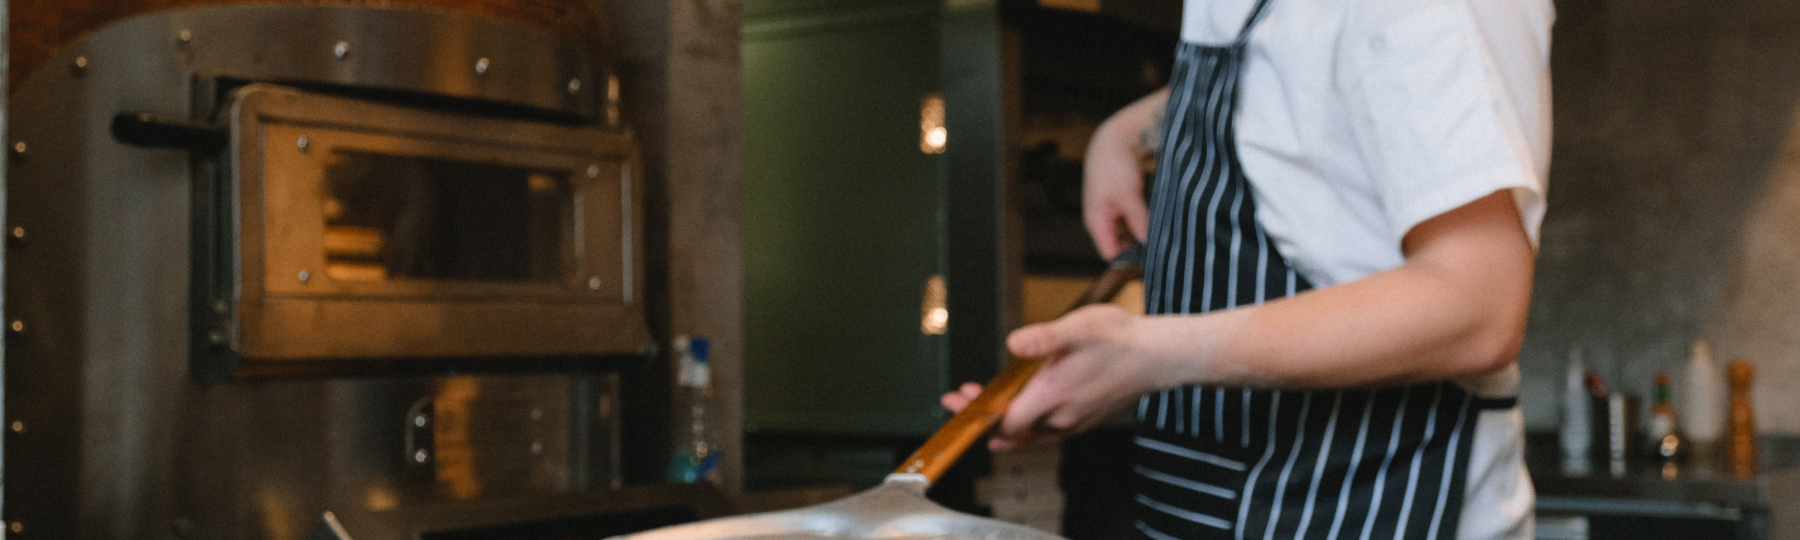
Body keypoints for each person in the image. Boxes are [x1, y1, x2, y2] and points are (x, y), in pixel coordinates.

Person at [941, 0, 1552, 538]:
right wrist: (1129, 132)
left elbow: (1479, 305)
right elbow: (1307, 72)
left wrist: (1153, 355)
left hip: (1369, 501)